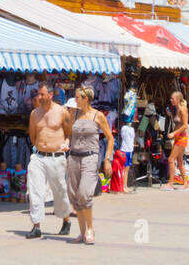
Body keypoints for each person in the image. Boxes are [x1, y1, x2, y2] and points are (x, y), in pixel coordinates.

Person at [66, 86, 115, 245]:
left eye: (78, 97)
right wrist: (66, 143)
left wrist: (107, 159)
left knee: (85, 193)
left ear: (86, 99)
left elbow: (110, 138)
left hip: (90, 157)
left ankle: (90, 229)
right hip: (73, 157)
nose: (75, 100)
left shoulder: (98, 116)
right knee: (74, 195)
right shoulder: (74, 114)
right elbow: (69, 135)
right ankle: (81, 232)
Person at [25, 81, 73, 238]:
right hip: (38, 156)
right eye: (38, 94)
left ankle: (66, 219)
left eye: (42, 94)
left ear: (50, 95)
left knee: (59, 191)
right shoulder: (34, 114)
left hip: (56, 156)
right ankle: (36, 225)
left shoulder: (62, 112)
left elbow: (68, 133)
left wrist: (65, 144)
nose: (39, 97)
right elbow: (32, 135)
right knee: (35, 190)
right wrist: (41, 147)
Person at [164, 91, 189, 190]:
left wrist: (173, 133)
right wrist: (171, 115)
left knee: (171, 159)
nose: (171, 100)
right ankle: (185, 183)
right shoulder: (177, 109)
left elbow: (185, 125)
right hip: (178, 138)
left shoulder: (183, 110)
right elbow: (178, 122)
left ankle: (171, 183)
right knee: (179, 161)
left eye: (172, 98)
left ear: (178, 99)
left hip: (182, 138)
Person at [119, 119, 136, 193]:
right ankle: (122, 186)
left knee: (127, 169)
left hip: (130, 150)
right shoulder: (124, 128)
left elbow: (133, 139)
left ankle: (125, 185)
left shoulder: (132, 129)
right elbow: (123, 136)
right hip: (124, 150)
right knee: (123, 169)